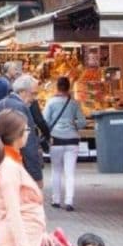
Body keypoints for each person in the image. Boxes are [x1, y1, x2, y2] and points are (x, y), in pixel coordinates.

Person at [0, 109, 54, 246]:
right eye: (27, 130)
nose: (28, 134)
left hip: (26, 244)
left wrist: (42, 234)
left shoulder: (12, 163)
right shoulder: (9, 167)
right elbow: (13, 212)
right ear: (17, 134)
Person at [0, 74, 46, 188]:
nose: (34, 98)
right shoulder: (22, 108)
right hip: (18, 164)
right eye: (33, 93)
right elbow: (30, 144)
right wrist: (36, 176)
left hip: (0, 162)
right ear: (22, 92)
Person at [43, 77, 87, 211]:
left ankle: (56, 200)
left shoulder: (51, 103)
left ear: (57, 87)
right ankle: (69, 201)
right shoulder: (74, 104)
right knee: (70, 172)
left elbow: (45, 121)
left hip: (56, 139)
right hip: (72, 140)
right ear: (69, 88)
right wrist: (74, 124)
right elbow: (82, 122)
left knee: (56, 170)